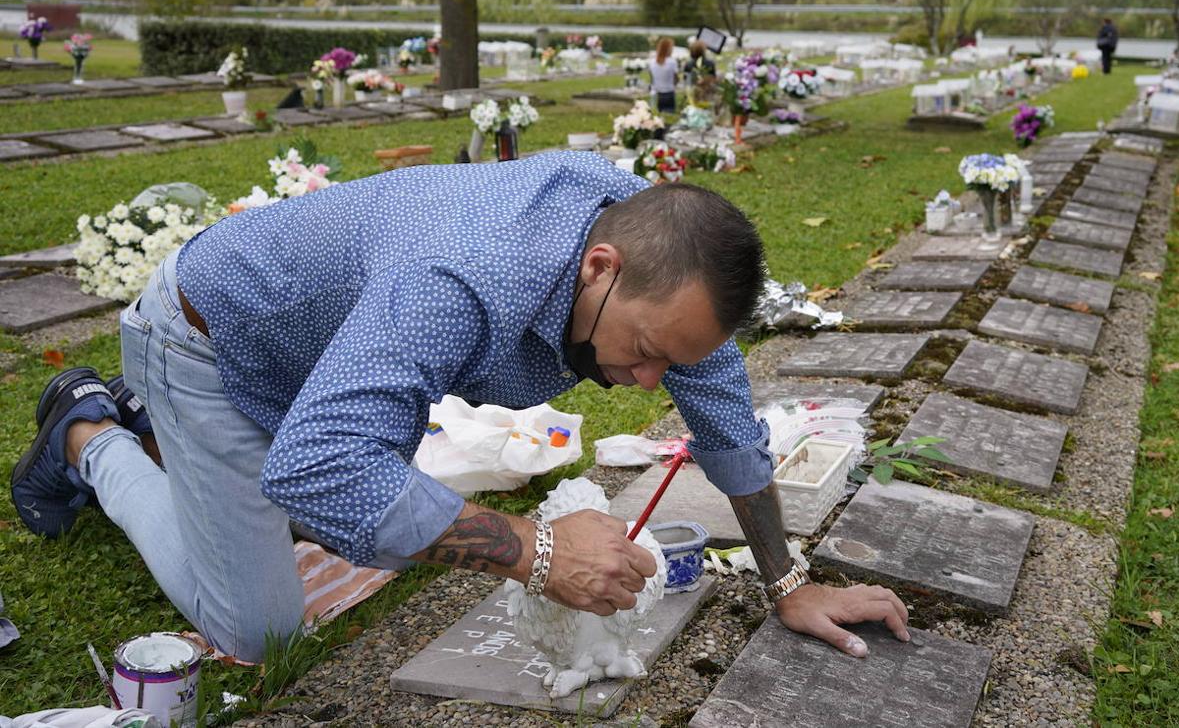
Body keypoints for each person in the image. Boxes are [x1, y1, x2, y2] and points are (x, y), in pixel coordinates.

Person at [10, 154, 911, 664]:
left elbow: (726, 428)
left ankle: (165, 445)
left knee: (352, 508)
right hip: (208, 337)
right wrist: (534, 547)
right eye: (642, 354)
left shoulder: (660, 267)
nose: (647, 384)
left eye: (667, 363)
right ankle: (92, 430)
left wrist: (789, 583)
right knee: (259, 623)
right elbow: (318, 465)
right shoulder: (465, 276)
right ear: (598, 267)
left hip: (326, 349)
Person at [649, 37, 679, 114]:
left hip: (657, 93)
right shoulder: (672, 62)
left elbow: (652, 79)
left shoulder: (652, 62)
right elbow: (676, 79)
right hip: (668, 92)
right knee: (669, 116)